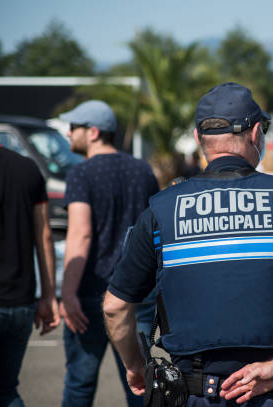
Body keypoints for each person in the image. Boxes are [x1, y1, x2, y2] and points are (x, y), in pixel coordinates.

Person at [103, 82, 273, 407]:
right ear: (255, 134)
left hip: (192, 393)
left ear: (198, 139)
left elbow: (114, 307)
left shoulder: (161, 210)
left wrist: (136, 367)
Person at [58, 100, 159, 407]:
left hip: (91, 292)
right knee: (141, 384)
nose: (68, 134)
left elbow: (80, 233)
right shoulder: (143, 170)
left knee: (79, 383)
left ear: (93, 132)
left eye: (73, 128)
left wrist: (67, 292)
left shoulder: (81, 174)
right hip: (137, 293)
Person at [0, 145, 60, 407]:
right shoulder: (27, 168)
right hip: (21, 303)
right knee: (6, 390)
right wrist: (48, 296)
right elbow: (44, 234)